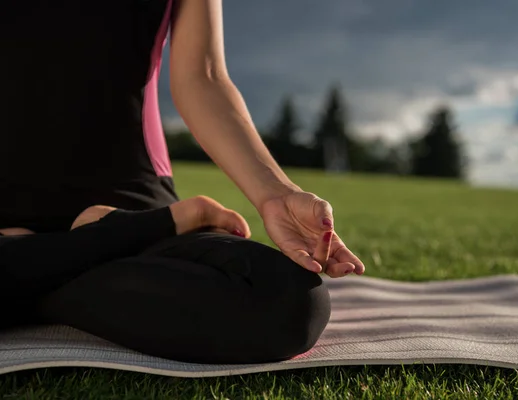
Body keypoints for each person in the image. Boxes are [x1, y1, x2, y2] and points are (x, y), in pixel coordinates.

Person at [0, 0, 365, 364]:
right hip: (111, 233)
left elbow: (203, 77)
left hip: (132, 205)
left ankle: (31, 269)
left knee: (289, 300)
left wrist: (276, 193)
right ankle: (84, 247)